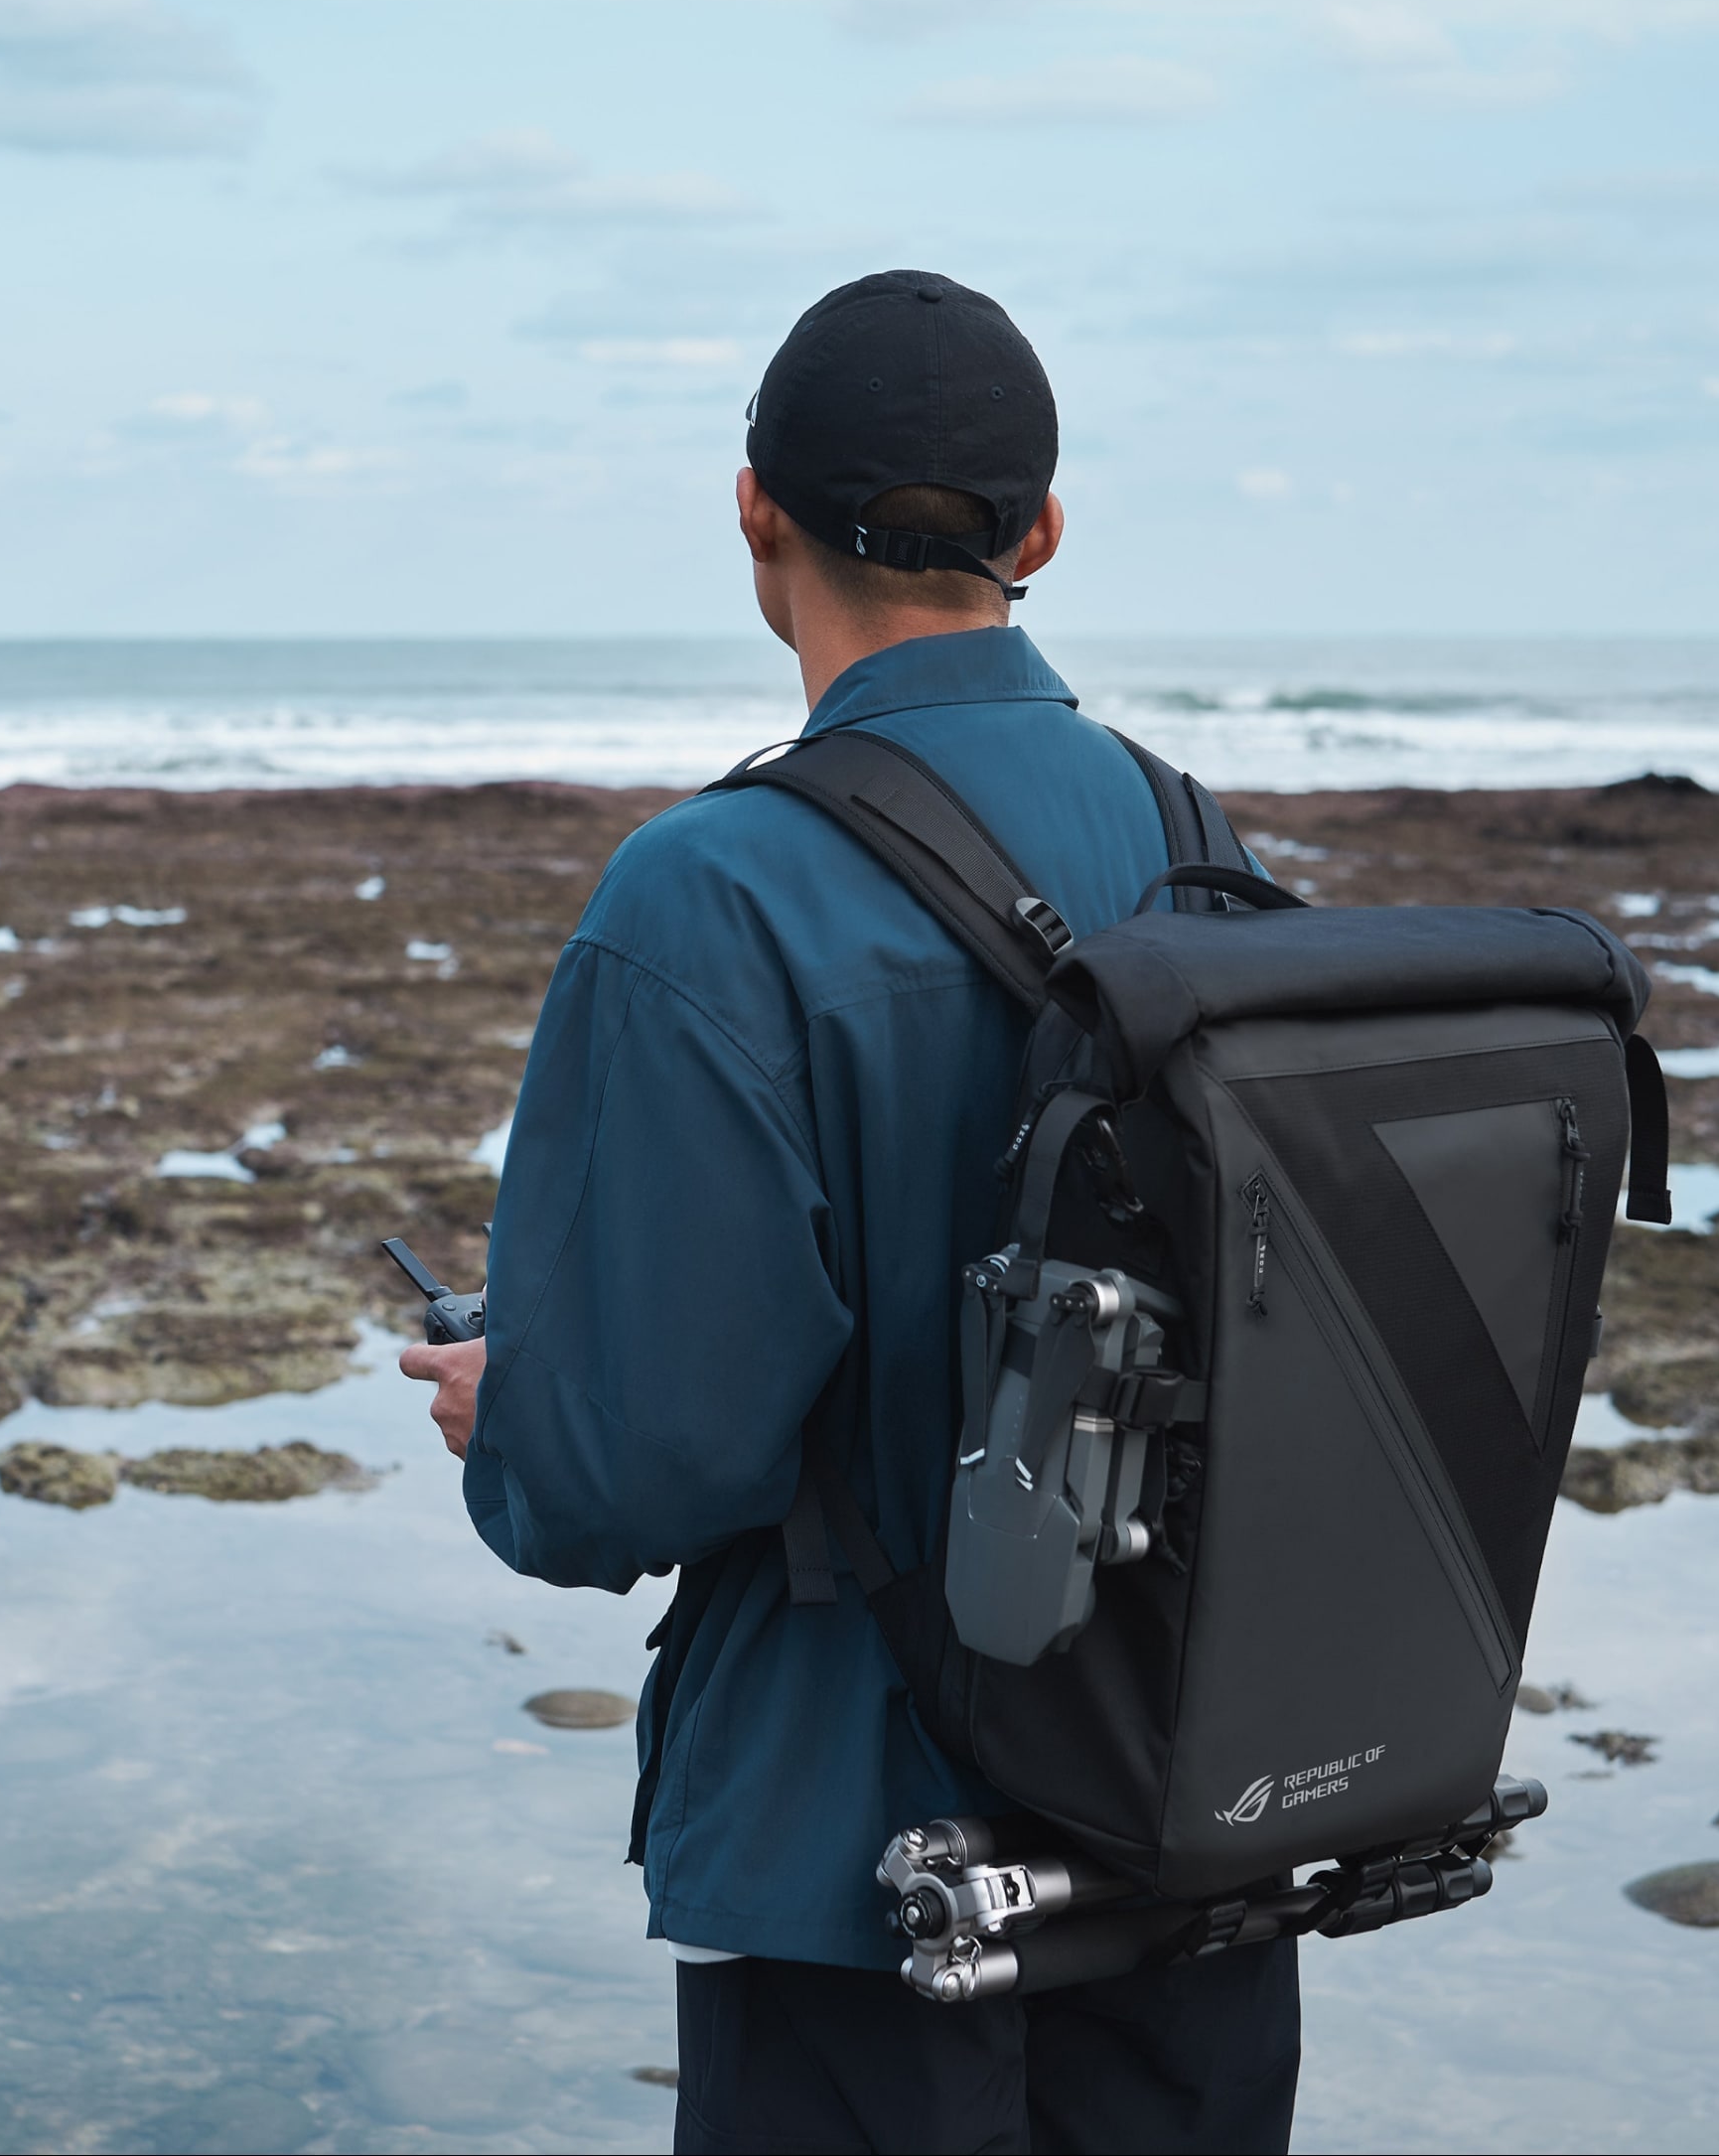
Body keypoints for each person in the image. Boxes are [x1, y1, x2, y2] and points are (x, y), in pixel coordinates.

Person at [399, 272, 1301, 2154]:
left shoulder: (707, 898)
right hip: (1184, 1813)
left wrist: (518, 1414)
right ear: (1040, 534)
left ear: (753, 512)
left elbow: (631, 1473)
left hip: (860, 1860)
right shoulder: (1198, 844)